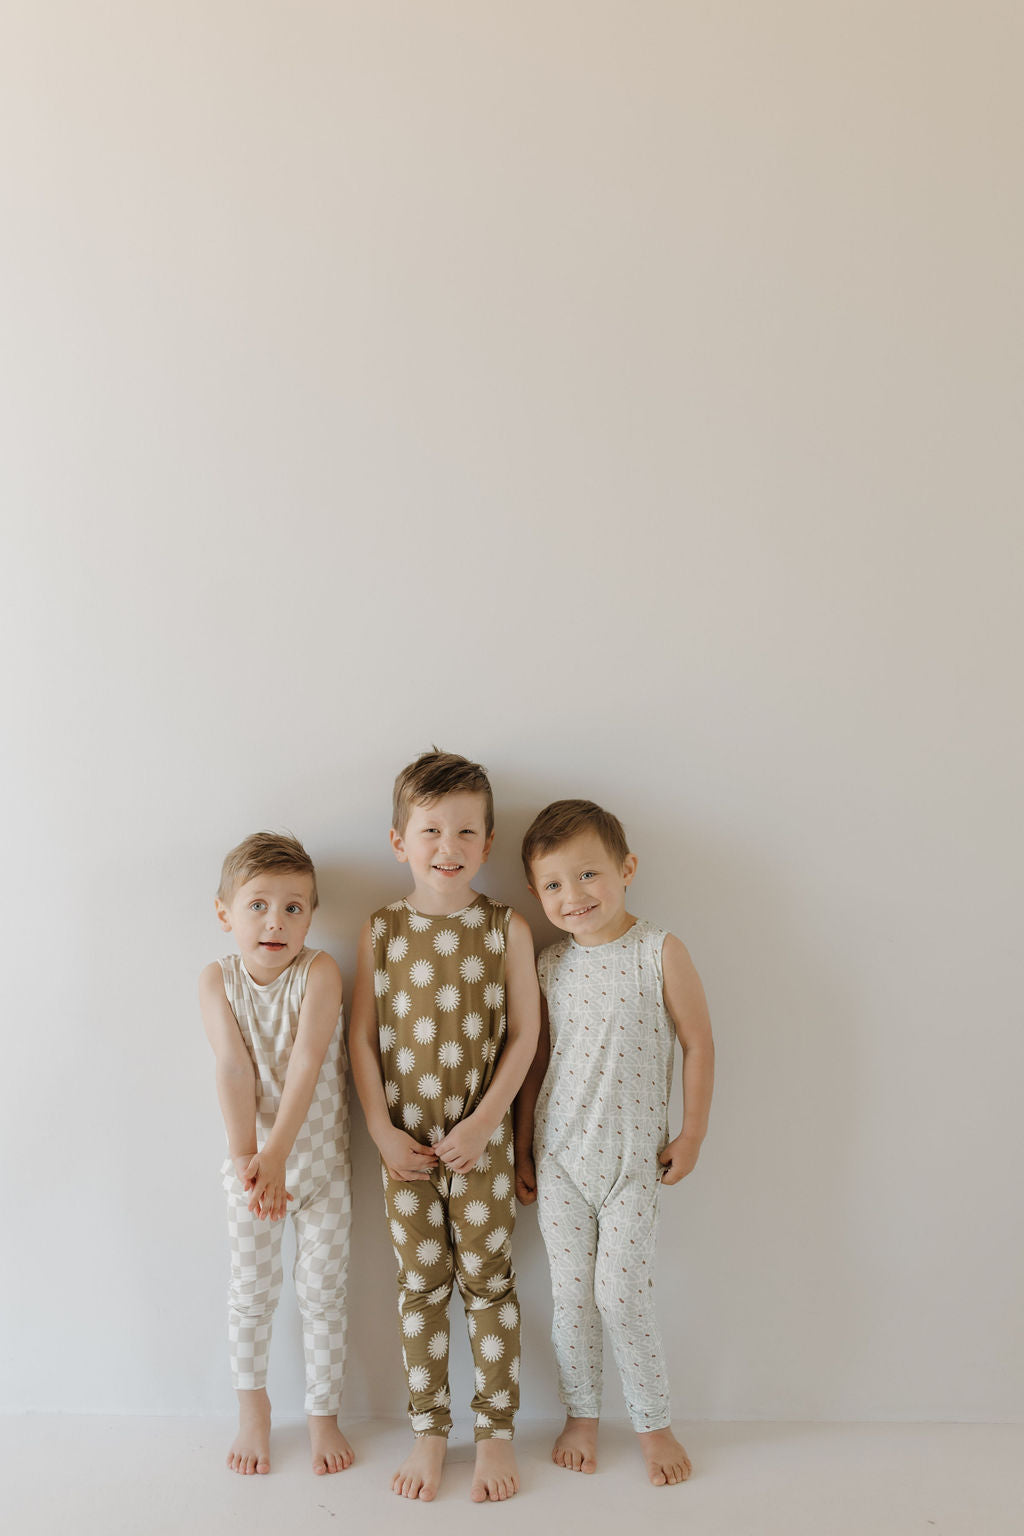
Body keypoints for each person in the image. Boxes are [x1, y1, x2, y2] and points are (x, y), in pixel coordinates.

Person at [350, 750, 540, 1503]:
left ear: (488, 842)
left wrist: (487, 1123)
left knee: (489, 1284)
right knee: (420, 1286)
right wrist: (380, 1131)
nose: (447, 847)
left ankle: (495, 1435)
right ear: (399, 841)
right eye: (430, 830)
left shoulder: (505, 928)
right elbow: (361, 1039)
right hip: (406, 1150)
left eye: (465, 831)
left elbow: (526, 1035)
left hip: (480, 1146)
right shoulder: (382, 931)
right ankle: (431, 1430)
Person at [515, 799, 714, 1487]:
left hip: (633, 1162)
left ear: (627, 869)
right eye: (553, 885)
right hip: (562, 1159)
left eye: (589, 875)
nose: (574, 897)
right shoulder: (547, 967)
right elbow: (535, 1063)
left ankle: (654, 1423)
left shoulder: (660, 951)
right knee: (571, 1298)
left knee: (620, 1296)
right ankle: (580, 1414)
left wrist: (692, 1131)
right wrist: (521, 1146)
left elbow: (698, 1042)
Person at [199, 832, 352, 1477]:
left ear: (312, 916)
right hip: (254, 1170)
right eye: (259, 904)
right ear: (224, 912)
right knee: (251, 1292)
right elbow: (233, 1068)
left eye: (294, 907)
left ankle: (323, 1415)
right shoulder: (216, 980)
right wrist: (247, 1161)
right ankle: (253, 1410)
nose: (275, 921)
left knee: (323, 1293)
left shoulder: (319, 973)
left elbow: (307, 1066)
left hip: (315, 1169)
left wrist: (279, 1157)